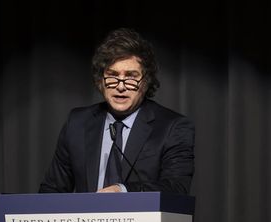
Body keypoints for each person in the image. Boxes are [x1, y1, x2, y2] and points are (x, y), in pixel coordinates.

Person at [39, 28, 194, 193]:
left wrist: (122, 191)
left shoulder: (173, 127)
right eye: (112, 75)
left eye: (131, 76)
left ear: (146, 81)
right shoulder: (77, 123)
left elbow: (176, 188)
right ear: (101, 80)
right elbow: (51, 190)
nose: (120, 86)